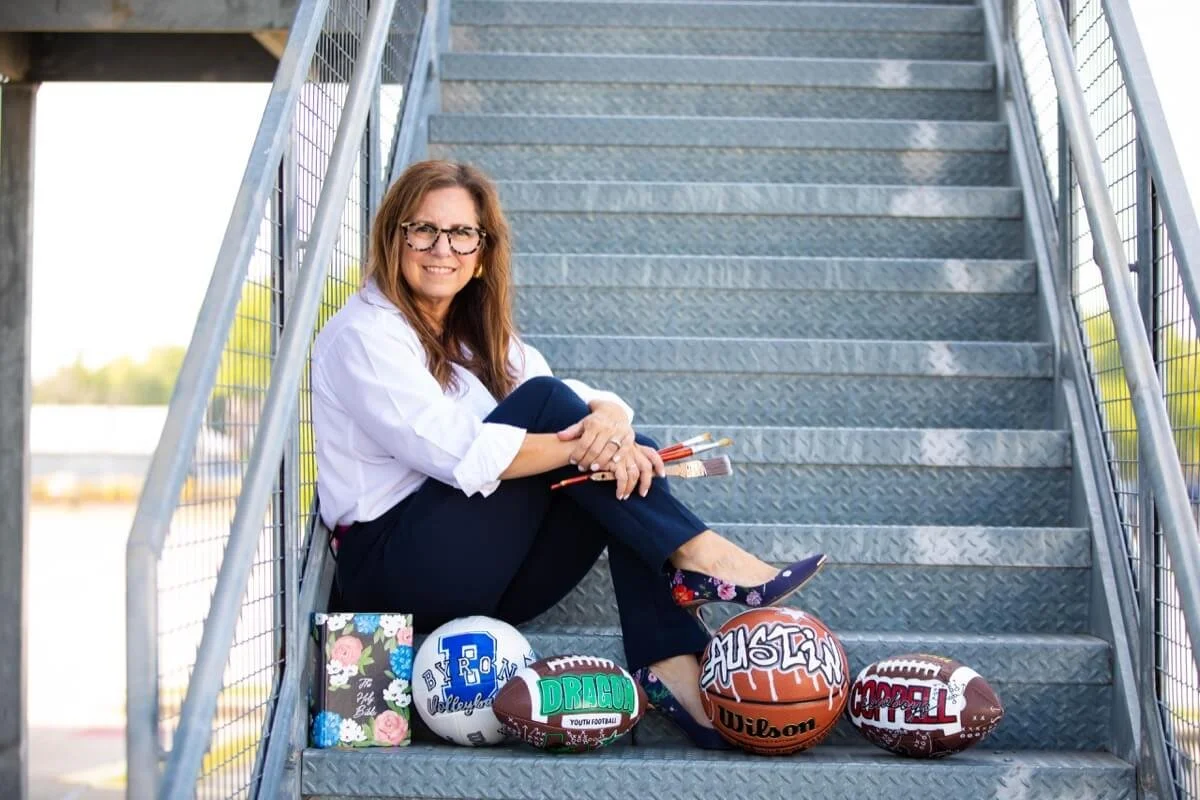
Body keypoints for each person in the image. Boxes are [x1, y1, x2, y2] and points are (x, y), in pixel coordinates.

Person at [311, 160, 826, 749]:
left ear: (482, 252)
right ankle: (696, 553)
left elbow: (578, 401)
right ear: (394, 237)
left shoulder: (479, 336)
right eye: (423, 230)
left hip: (482, 572)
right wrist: (589, 439)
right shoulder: (364, 335)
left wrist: (610, 423)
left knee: (628, 457)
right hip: (395, 574)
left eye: (461, 233)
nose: (442, 248)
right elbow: (459, 454)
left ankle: (670, 665)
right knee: (558, 414)